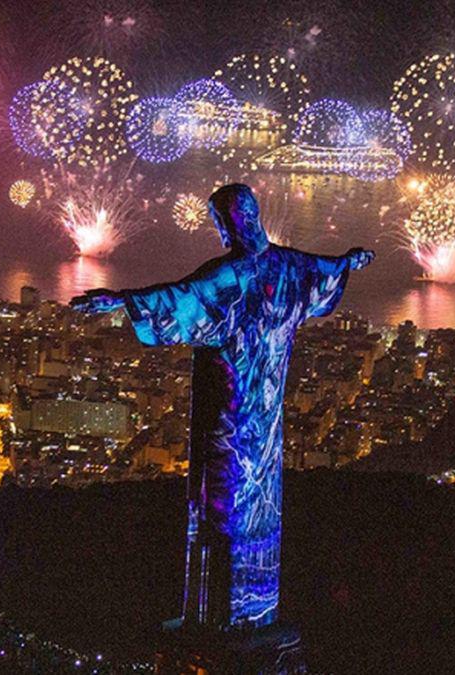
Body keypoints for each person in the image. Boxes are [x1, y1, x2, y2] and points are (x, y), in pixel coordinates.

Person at [71, 183, 373, 631]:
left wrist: (120, 300)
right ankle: (256, 609)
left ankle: (220, 618)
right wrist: (350, 262)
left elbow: (179, 299)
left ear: (233, 220)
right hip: (267, 417)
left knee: (221, 502)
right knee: (260, 503)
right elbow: (325, 272)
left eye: (219, 220)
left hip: (228, 413)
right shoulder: (291, 267)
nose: (221, 229)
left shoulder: (229, 277)